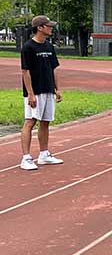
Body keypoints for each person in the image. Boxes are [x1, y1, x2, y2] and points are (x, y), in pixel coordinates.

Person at [20, 16, 64, 171]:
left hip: (48, 89)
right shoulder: (28, 47)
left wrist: (57, 89)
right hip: (35, 91)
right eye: (48, 26)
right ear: (40, 28)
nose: (51, 28)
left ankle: (44, 154)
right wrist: (30, 94)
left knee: (45, 121)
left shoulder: (49, 46)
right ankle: (26, 158)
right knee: (30, 121)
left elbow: (54, 68)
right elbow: (25, 71)